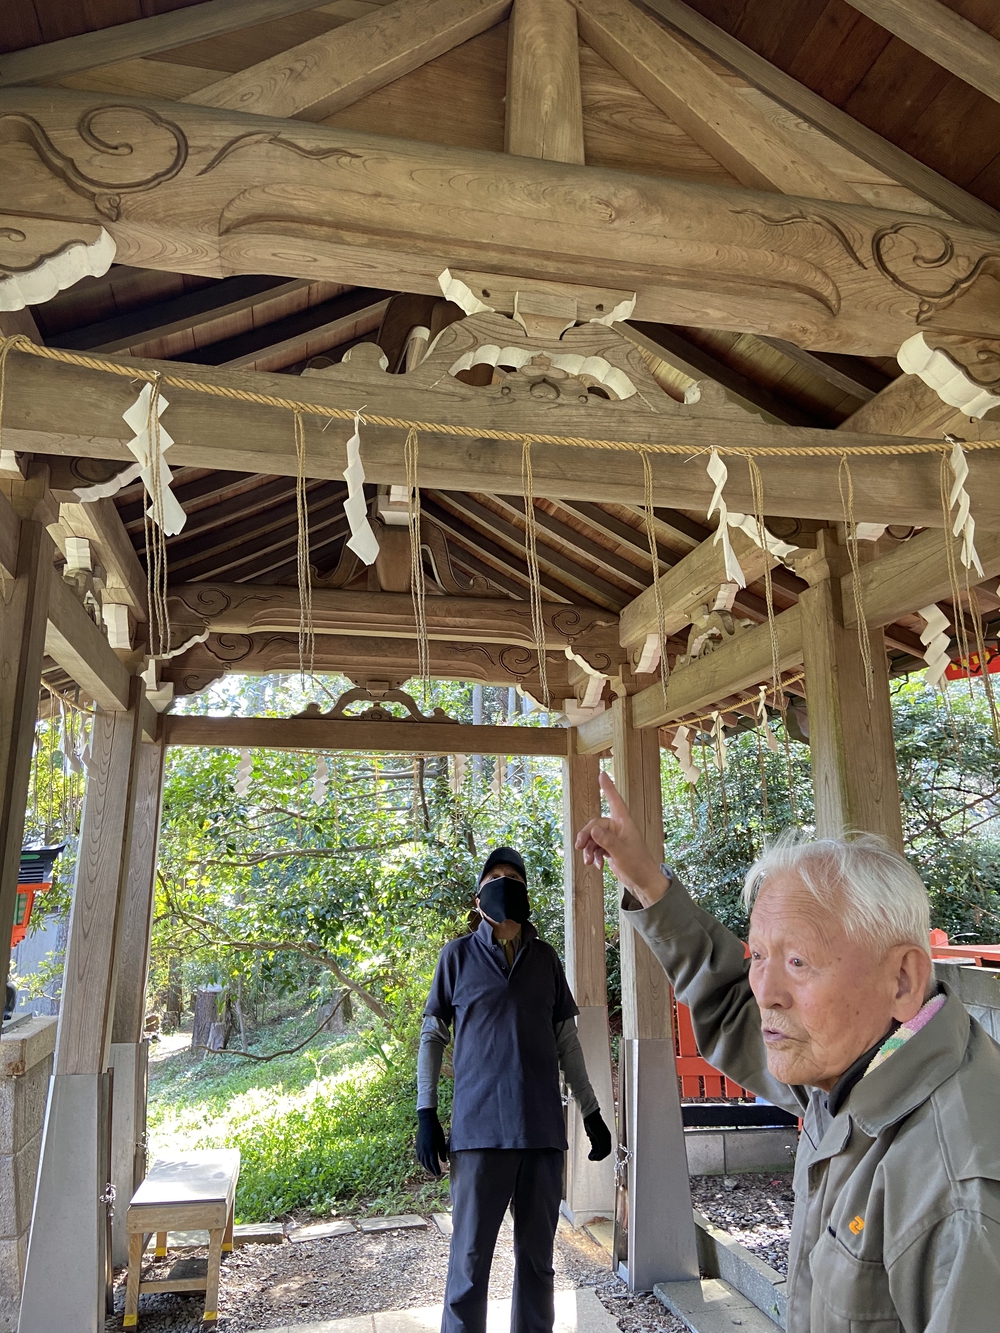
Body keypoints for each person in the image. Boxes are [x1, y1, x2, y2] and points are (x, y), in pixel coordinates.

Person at [576, 771, 1000, 1333]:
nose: (766, 992)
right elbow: (731, 1006)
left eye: (798, 962)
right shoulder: (857, 1070)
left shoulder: (961, 1196)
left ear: (902, 979)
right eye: (759, 957)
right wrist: (646, 880)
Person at [416, 846, 613, 1333]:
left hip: (542, 1135)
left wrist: (591, 1113)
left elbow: (567, 1043)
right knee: (468, 1266)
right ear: (479, 893)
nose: (505, 883)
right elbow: (432, 1036)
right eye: (495, 876)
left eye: (514, 877)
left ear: (526, 892)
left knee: (537, 1267)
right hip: (479, 1135)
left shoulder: (545, 960)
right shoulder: (457, 957)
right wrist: (426, 1113)